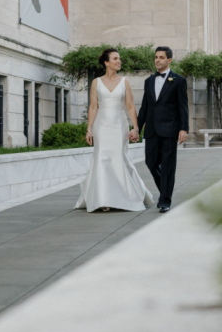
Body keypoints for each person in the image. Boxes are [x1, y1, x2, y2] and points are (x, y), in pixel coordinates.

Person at [75, 49, 154, 213]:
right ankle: (103, 199)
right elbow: (93, 106)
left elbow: (130, 106)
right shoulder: (96, 82)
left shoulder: (124, 82)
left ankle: (125, 196)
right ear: (106, 62)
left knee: (118, 157)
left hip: (119, 124)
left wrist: (136, 128)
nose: (119, 61)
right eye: (115, 58)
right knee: (102, 158)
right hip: (101, 125)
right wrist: (89, 129)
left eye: (119, 59)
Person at [137, 47, 189, 214]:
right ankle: (165, 191)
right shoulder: (149, 81)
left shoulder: (179, 81)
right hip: (152, 129)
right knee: (150, 162)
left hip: (170, 129)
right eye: (156, 57)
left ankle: (165, 200)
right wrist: (137, 128)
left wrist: (183, 128)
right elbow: (145, 107)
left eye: (161, 57)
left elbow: (183, 107)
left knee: (168, 166)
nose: (157, 60)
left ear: (169, 60)